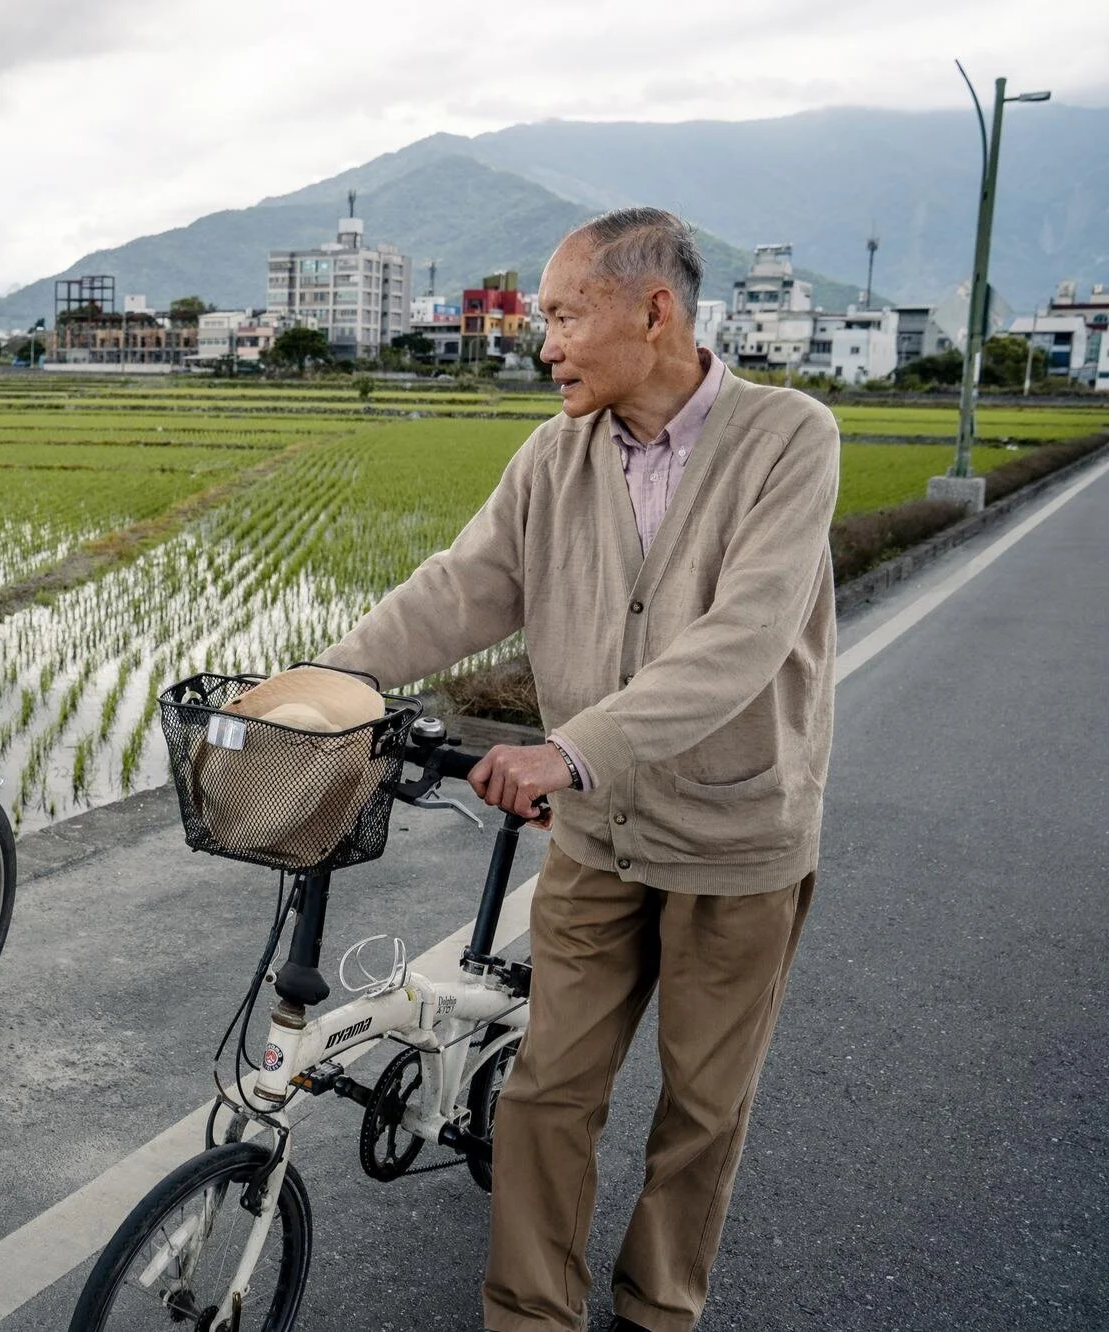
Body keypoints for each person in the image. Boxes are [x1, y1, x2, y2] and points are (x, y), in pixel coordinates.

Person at [320, 208, 837, 1332]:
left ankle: (657, 1308)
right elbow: (461, 589)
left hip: (734, 839)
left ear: (653, 312)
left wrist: (568, 752)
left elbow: (741, 641)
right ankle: (529, 1314)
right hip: (599, 841)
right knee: (549, 1091)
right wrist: (324, 679)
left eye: (562, 315)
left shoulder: (788, 438)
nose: (541, 342)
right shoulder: (555, 454)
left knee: (700, 1110)